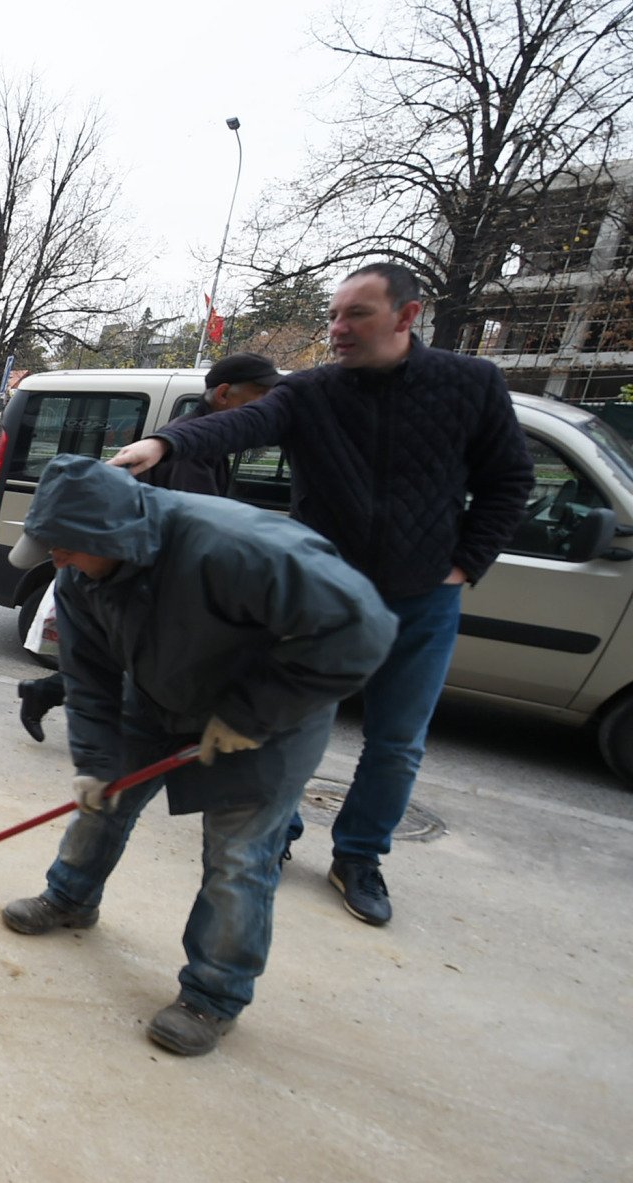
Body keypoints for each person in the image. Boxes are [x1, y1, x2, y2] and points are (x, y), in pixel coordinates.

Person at [108, 263, 533, 926]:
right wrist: (161, 442)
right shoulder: (309, 392)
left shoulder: (470, 383)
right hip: (315, 602)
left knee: (397, 742)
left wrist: (464, 565)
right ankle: (276, 834)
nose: (337, 328)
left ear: (406, 316)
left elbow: (510, 480)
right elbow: (232, 427)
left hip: (421, 601)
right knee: (282, 725)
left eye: (355, 314)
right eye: (334, 314)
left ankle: (358, 856)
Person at [0, 455, 395, 1055]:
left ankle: (213, 997)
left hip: (270, 716)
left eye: (64, 548)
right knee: (102, 800)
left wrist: (251, 714)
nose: (57, 562)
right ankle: (70, 898)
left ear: (111, 536)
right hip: (159, 698)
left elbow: (363, 630)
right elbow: (90, 679)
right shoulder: (82, 578)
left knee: (239, 856)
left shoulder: (236, 546)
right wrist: (95, 762)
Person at [16, 352, 283, 741]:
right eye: (258, 397)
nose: (264, 410)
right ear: (224, 394)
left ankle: (47, 694)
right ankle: (69, 704)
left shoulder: (198, 439)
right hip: (157, 570)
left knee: (124, 657)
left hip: (155, 569)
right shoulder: (190, 449)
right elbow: (197, 524)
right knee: (128, 658)